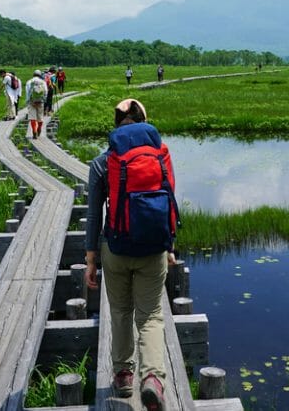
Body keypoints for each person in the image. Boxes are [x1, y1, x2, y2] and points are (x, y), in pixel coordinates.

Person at [85, 98, 177, 410]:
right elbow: (169, 202)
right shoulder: (160, 157)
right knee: (150, 315)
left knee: (121, 312)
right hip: (153, 250)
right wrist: (170, 247)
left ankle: (124, 377)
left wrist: (90, 259)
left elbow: (94, 215)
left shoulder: (102, 163)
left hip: (116, 247)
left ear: (116, 126)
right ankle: (152, 379)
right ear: (145, 122)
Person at [25, 69, 47, 138]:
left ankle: (34, 131)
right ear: (40, 75)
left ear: (33, 74)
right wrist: (44, 100)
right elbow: (46, 92)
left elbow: (27, 92)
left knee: (32, 117)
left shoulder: (29, 82)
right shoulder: (43, 82)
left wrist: (28, 100)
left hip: (32, 102)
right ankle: (39, 128)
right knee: (40, 117)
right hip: (40, 101)